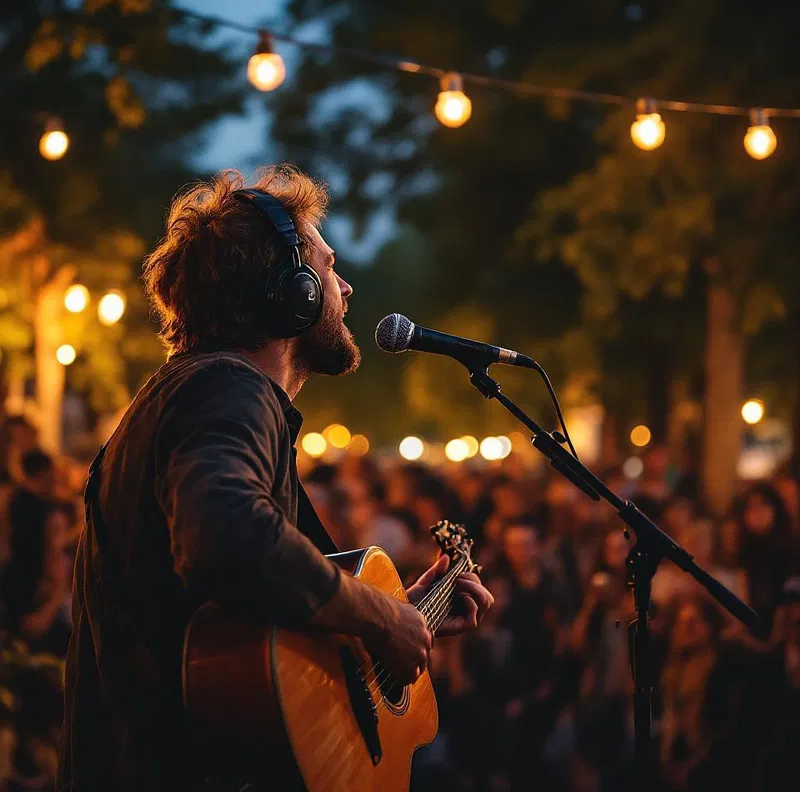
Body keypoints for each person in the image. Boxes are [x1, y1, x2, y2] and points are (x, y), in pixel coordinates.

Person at [55, 166, 492, 792]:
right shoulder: (227, 389)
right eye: (327, 267)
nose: (345, 288)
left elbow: (249, 641)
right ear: (291, 292)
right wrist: (376, 616)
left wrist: (395, 618)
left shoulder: (198, 394)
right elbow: (227, 539)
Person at [1, 448, 71, 654]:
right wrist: (47, 613)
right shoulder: (51, 514)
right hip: (39, 608)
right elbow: (57, 567)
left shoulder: (7, 504)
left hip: (10, 606)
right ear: (46, 473)